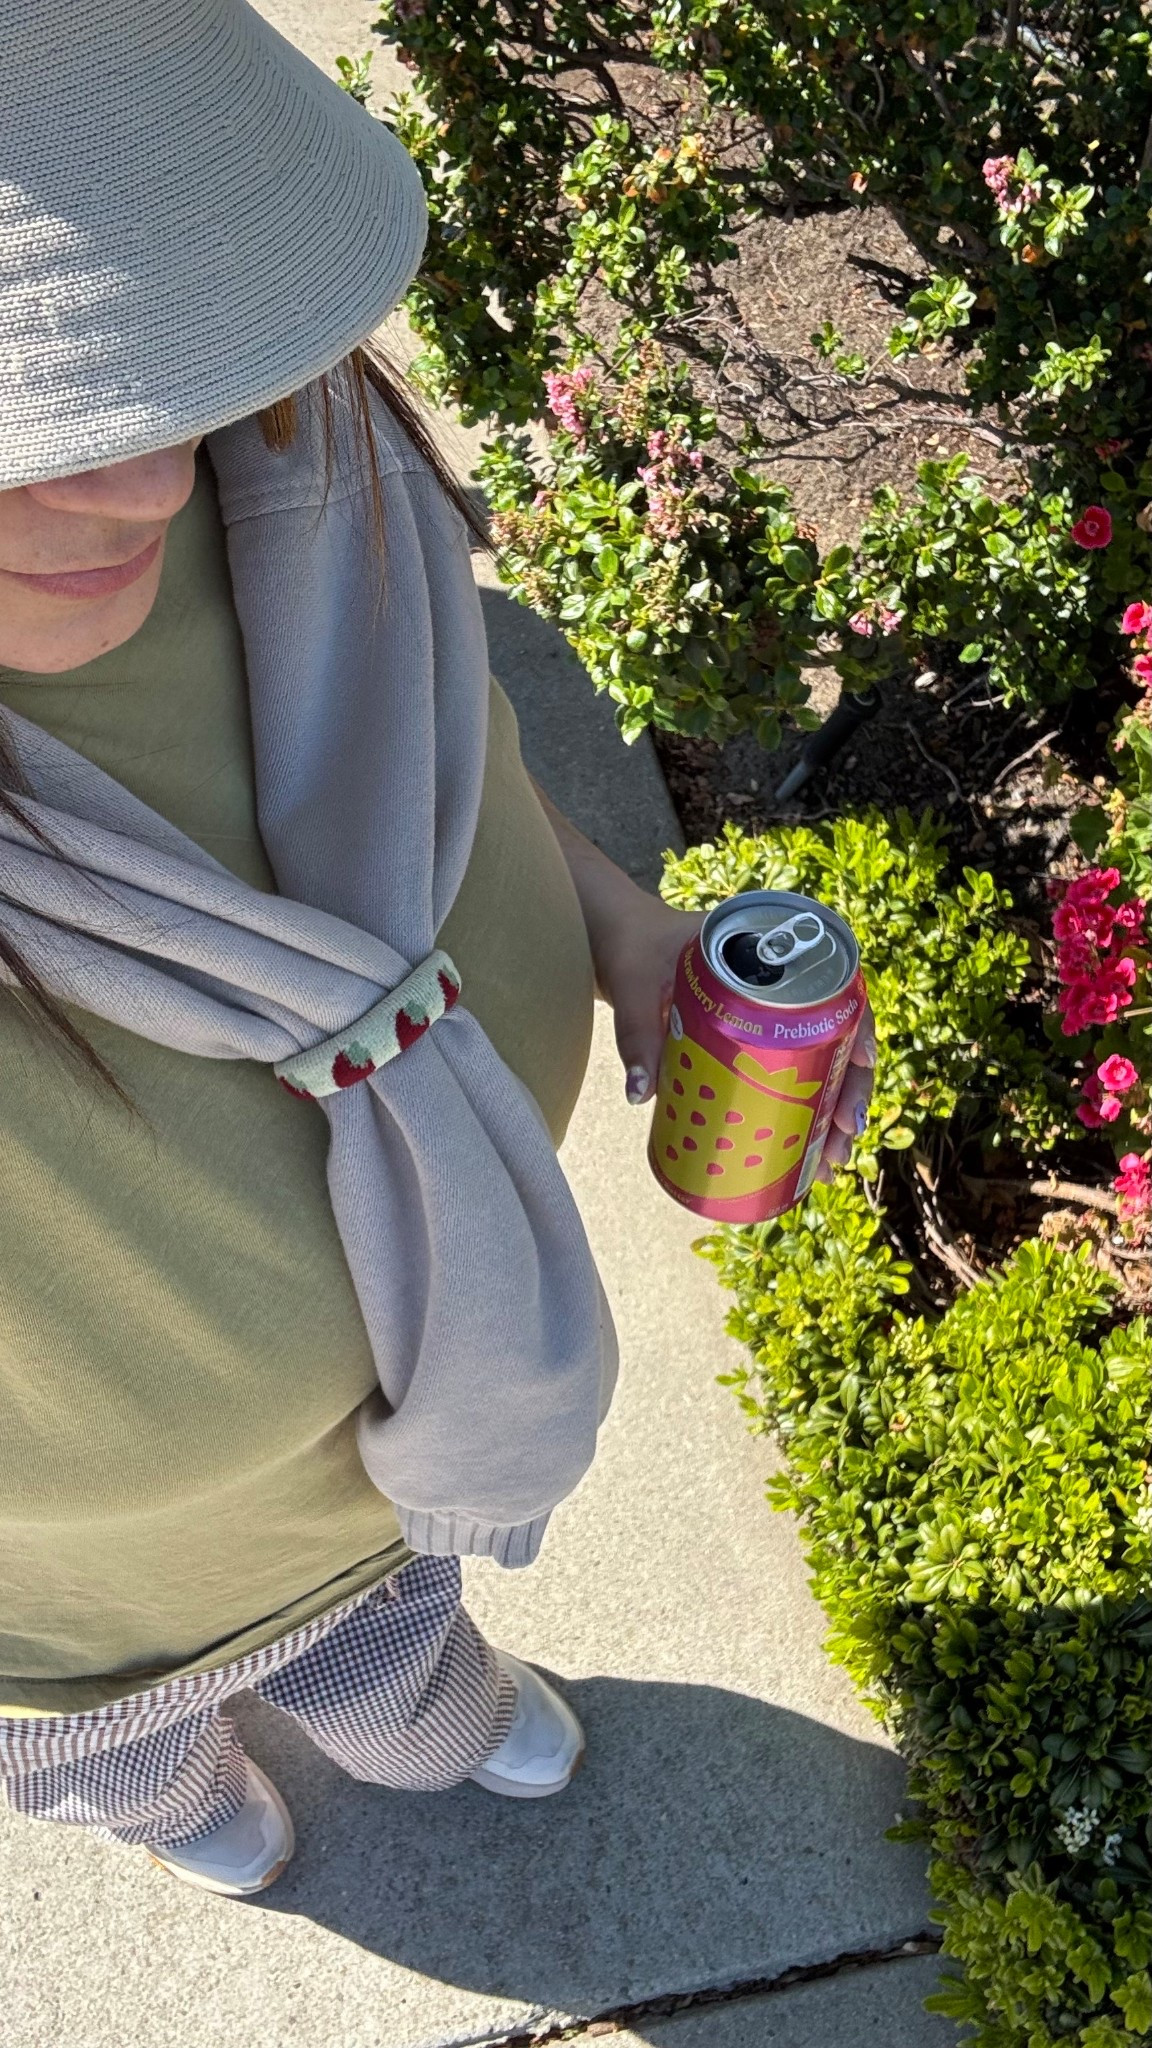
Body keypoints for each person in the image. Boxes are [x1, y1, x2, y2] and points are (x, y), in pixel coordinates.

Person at [0, 0, 875, 1900]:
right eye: (35, 421)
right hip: (79, 1610)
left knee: (415, 1681)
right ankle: (169, 1798)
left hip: (390, 1489)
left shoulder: (274, 427)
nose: (147, 481)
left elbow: (437, 719)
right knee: (137, 1757)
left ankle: (423, 1707)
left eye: (150, 354)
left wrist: (620, 928)